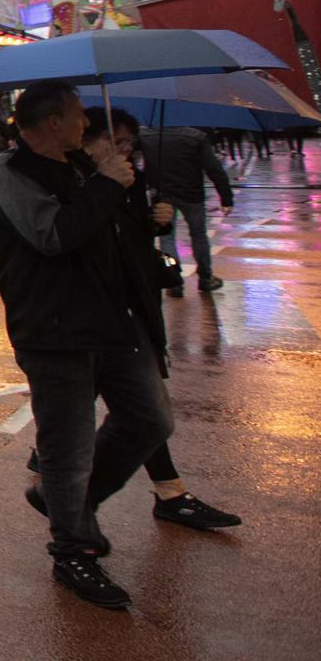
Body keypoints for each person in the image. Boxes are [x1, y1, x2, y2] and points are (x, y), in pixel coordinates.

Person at [0, 81, 174, 610]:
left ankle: (69, 503)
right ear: (50, 124)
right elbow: (53, 234)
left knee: (151, 419)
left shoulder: (82, 164)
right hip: (54, 328)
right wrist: (105, 185)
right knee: (67, 446)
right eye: (75, 116)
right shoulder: (8, 172)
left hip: (112, 318)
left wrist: (139, 201)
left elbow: (109, 231)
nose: (85, 124)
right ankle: (72, 547)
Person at [74, 109, 241, 532]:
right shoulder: (76, 181)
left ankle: (165, 490)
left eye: (130, 143)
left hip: (133, 307)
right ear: (87, 140)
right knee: (141, 412)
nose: (126, 150)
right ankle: (77, 504)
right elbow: (79, 239)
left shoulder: (129, 178)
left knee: (140, 410)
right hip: (97, 317)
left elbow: (126, 240)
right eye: (118, 141)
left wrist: (152, 218)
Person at [135, 121, 236, 293]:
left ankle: (173, 279)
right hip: (192, 194)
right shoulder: (196, 137)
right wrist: (226, 197)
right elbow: (214, 169)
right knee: (198, 235)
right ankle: (206, 277)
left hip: (161, 194)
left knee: (166, 239)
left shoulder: (145, 136)